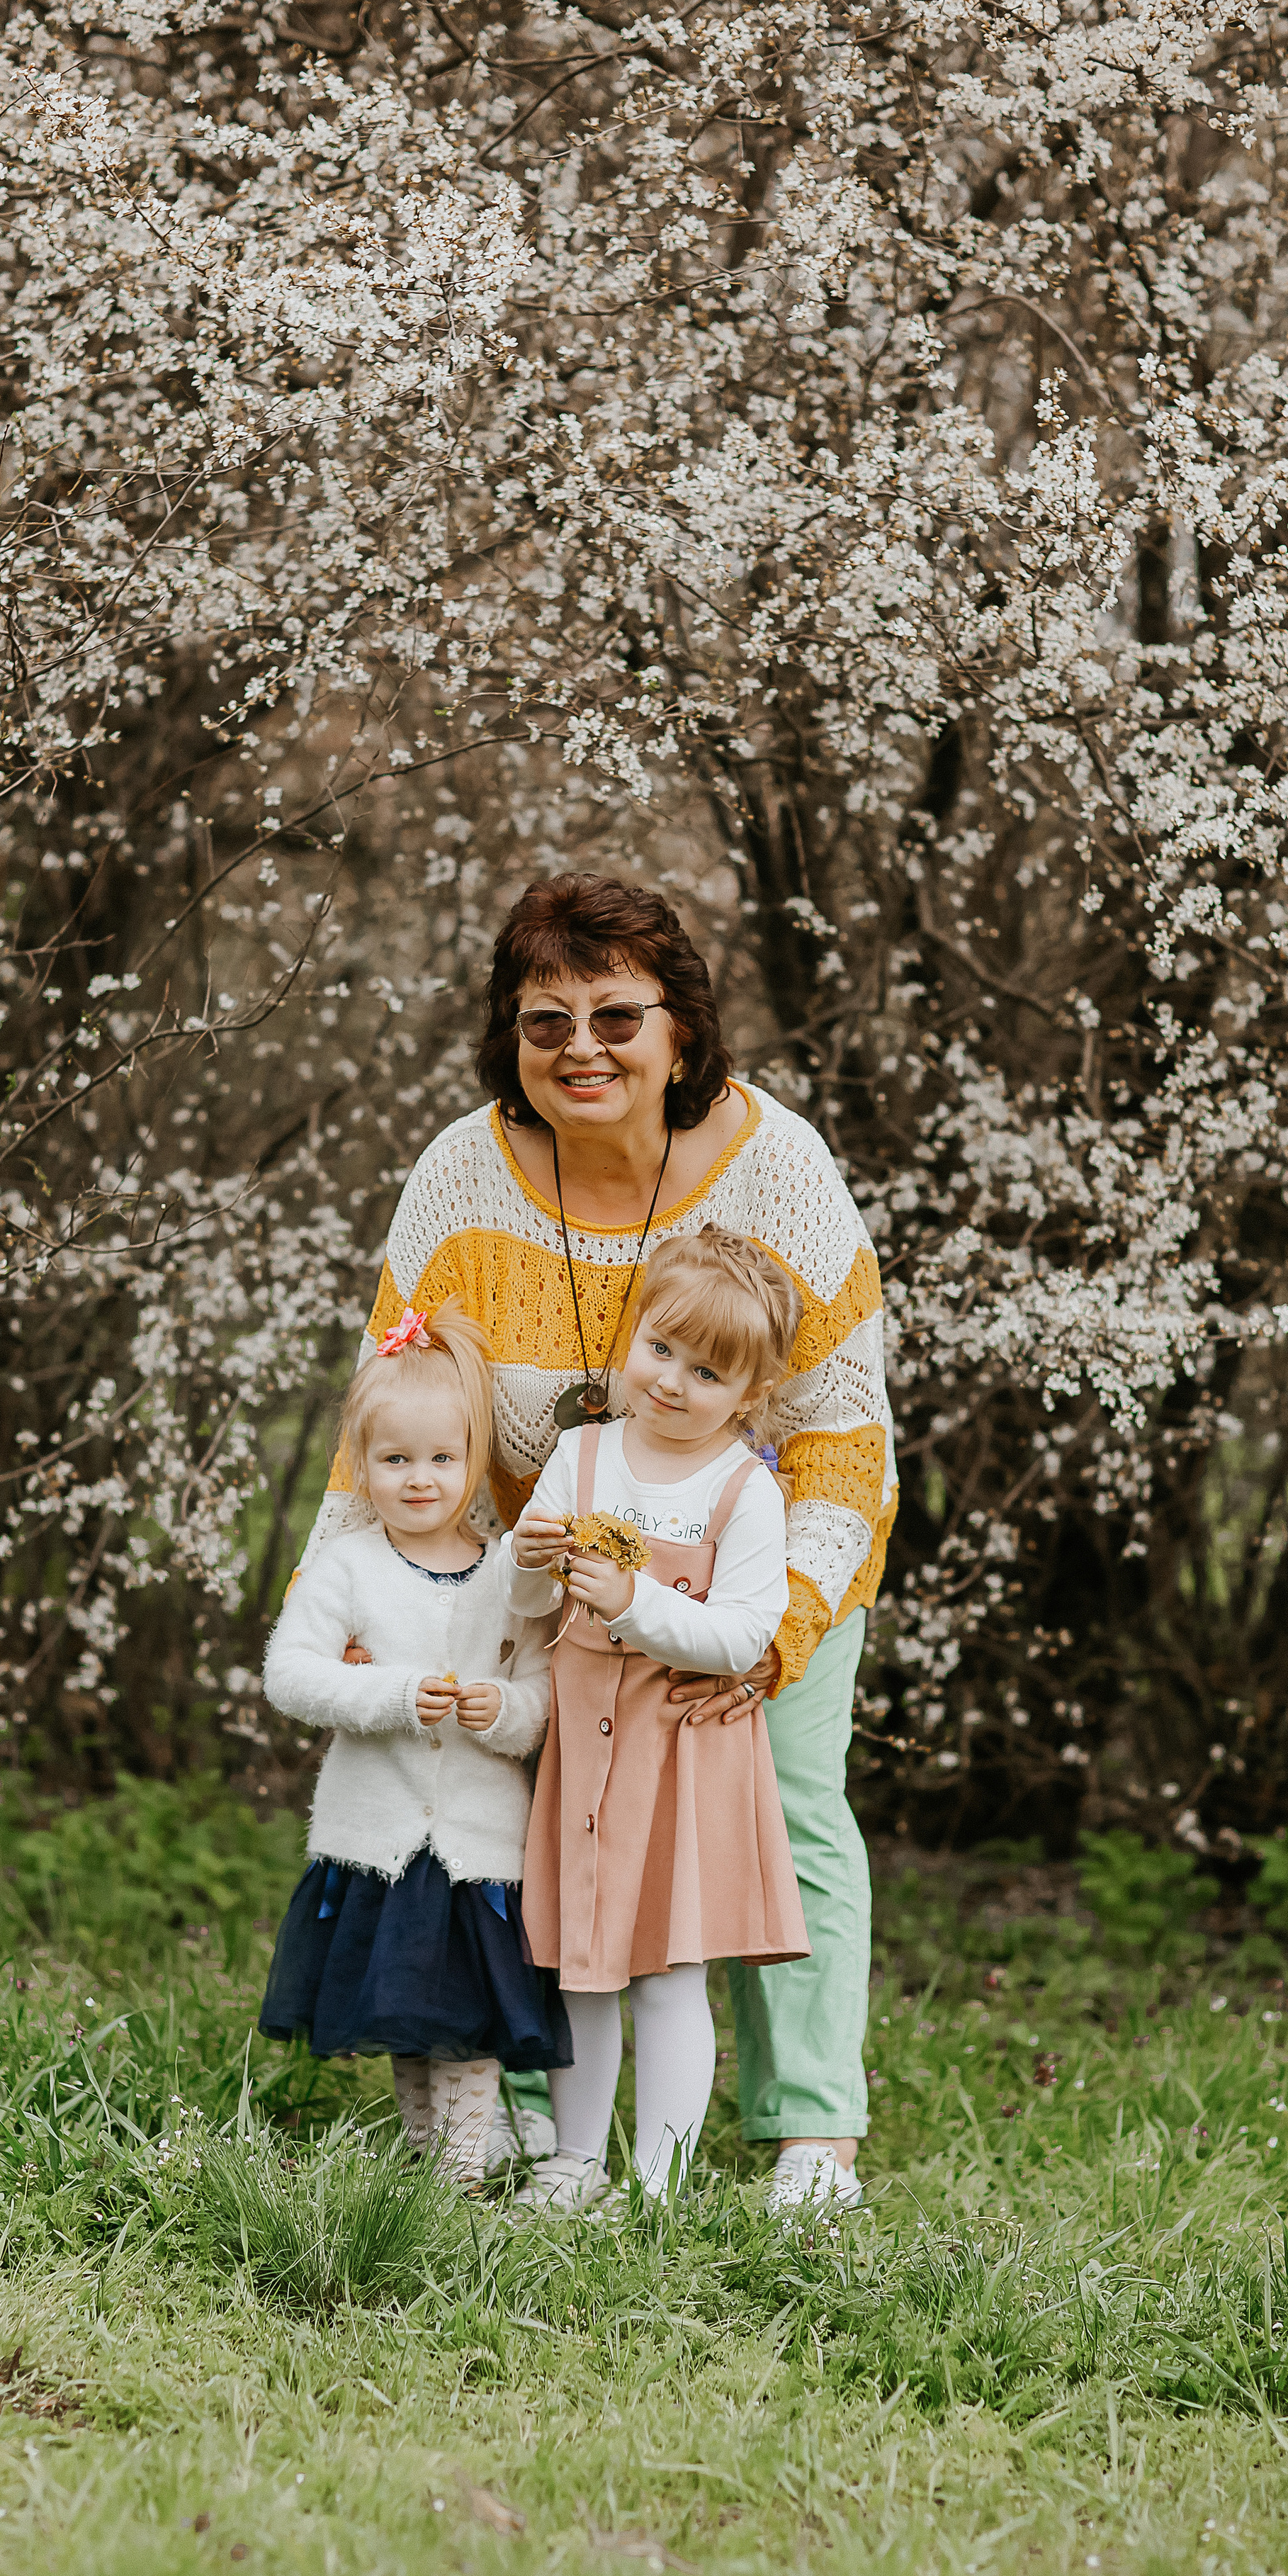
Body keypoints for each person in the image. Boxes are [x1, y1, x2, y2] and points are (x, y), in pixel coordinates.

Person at [300, 871, 895, 2213]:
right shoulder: (461, 1179)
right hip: (556, 1575)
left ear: (682, 1030)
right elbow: (396, 1400)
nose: (582, 1048)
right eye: (545, 1019)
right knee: (532, 1823)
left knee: (782, 1810)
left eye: (617, 1016)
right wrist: (354, 1590)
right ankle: (522, 2116)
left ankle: (811, 2135)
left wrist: (782, 1623)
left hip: (764, 1544)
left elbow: (840, 1431)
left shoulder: (780, 1171)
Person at [504, 1226, 808, 2209]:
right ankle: (575, 2160)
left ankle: (660, 2178)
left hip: (678, 1755)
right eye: (661, 1351)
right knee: (583, 1966)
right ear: (633, 1340)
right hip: (585, 1754)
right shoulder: (583, 1456)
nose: (673, 1383)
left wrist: (633, 1601)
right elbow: (526, 1610)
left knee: (669, 1972)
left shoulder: (741, 1492)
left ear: (749, 1396)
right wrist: (528, 1560)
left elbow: (742, 1637)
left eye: (708, 1372)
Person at [258, 1300, 568, 2188]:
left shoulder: (510, 1571)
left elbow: (546, 1699)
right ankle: (428, 2161)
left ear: (475, 1462)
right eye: (396, 1460)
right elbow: (292, 1675)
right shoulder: (348, 1565)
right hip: (378, 1839)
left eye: (442, 1458)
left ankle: (461, 2175)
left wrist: (498, 1710)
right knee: (402, 2010)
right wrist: (395, 1692)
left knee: (465, 2020)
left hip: (478, 1847)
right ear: (362, 1464)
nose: (420, 1480)